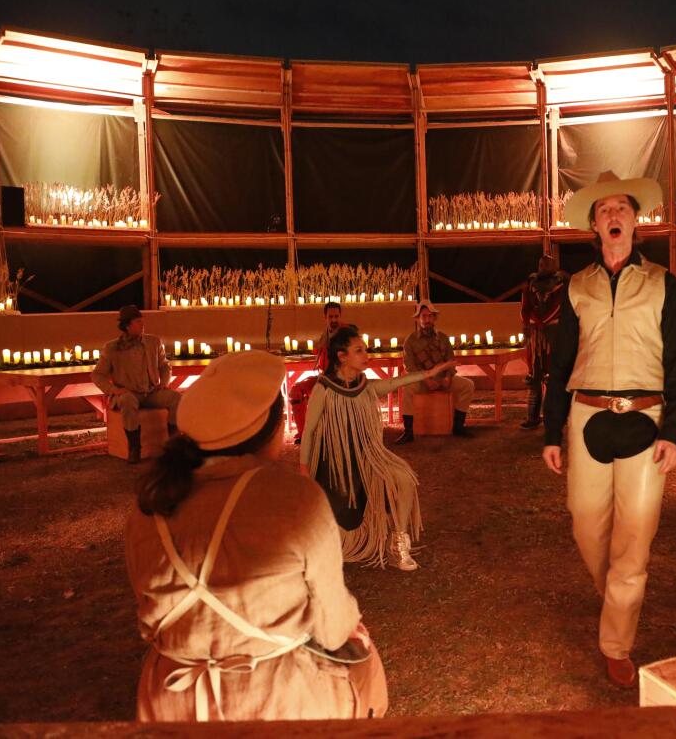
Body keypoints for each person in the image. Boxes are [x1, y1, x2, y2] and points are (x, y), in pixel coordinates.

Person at [125, 350, 388, 721]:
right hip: (279, 699)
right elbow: (333, 629)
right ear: (275, 427)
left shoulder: (148, 503)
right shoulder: (296, 498)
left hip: (172, 701)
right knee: (361, 654)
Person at [543, 171, 676, 688]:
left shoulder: (662, 284)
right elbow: (560, 362)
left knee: (634, 537)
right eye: (604, 210)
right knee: (585, 523)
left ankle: (616, 642)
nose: (614, 216)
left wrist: (673, 430)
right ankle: (618, 596)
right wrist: (550, 431)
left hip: (647, 417)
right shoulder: (577, 286)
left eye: (622, 208)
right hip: (587, 414)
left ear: (635, 220)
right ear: (593, 225)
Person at [300, 326, 455, 570]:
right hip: (334, 466)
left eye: (366, 349)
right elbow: (308, 431)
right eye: (358, 350)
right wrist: (304, 469)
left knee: (403, 478)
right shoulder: (324, 388)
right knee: (337, 517)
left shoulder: (364, 385)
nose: (366, 354)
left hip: (369, 457)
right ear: (342, 356)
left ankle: (398, 543)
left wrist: (427, 373)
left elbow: (394, 383)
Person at [93, 305, 181, 464]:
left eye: (142, 321)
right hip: (129, 394)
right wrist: (114, 390)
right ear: (127, 326)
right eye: (138, 322)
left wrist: (164, 382)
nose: (142, 324)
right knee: (127, 401)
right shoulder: (112, 348)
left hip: (152, 392)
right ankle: (134, 448)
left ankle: (174, 444)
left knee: (176, 398)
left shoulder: (153, 342)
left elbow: (164, 365)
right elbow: (97, 375)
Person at [398, 300, 474, 443]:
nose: (427, 320)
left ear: (434, 318)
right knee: (407, 389)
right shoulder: (410, 340)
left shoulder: (443, 338)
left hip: (443, 379)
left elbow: (450, 360)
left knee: (467, 385)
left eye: (430, 316)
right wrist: (426, 380)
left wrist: (448, 378)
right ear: (418, 319)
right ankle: (408, 432)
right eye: (424, 316)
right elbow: (409, 366)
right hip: (422, 381)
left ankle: (458, 427)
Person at [519, 254, 569, 430]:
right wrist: (531, 321)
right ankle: (532, 418)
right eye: (541, 263)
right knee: (534, 376)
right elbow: (525, 308)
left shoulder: (561, 284)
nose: (543, 266)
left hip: (553, 336)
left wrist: (543, 321)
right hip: (535, 337)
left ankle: (552, 418)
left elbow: (559, 307)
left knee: (553, 378)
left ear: (554, 266)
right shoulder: (531, 284)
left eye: (547, 264)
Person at [289, 301, 343, 445]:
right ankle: (304, 433)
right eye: (330, 317)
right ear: (324, 318)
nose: (334, 320)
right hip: (323, 378)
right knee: (295, 391)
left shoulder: (346, 335)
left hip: (339, 381)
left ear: (340, 316)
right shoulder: (324, 335)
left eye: (336, 317)